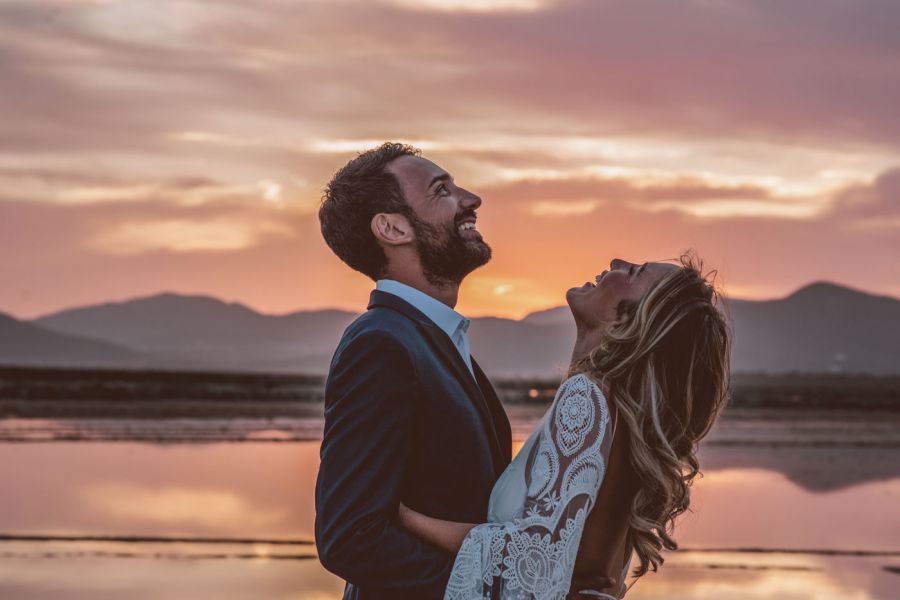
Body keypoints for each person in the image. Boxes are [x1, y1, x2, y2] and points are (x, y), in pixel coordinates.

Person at [398, 254, 732, 599]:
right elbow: (588, 568)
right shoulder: (626, 422)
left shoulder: (587, 395)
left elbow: (536, 555)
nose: (617, 261)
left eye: (634, 273)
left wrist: (404, 517)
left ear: (624, 320)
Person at [314, 142, 512, 599]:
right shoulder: (381, 344)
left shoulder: (432, 340)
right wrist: (491, 592)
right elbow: (349, 536)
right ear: (392, 228)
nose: (471, 199)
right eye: (442, 190)